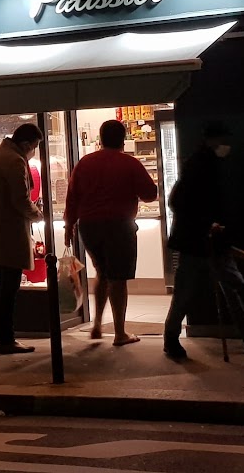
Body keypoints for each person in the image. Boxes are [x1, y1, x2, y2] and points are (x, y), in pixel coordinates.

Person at [163, 122, 244, 360]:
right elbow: (181, 202)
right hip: (198, 241)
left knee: (231, 285)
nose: (227, 145)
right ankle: (172, 338)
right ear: (213, 140)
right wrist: (208, 224)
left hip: (209, 241)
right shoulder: (200, 165)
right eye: (224, 139)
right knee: (196, 291)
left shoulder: (207, 163)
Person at [64, 119, 158, 346]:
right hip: (119, 225)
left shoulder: (84, 163)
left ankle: (96, 325)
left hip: (89, 226)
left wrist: (69, 226)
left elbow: (72, 197)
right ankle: (119, 333)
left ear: (101, 138)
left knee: (101, 272)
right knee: (118, 278)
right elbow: (150, 194)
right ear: (123, 139)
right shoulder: (130, 163)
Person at [0, 123, 44, 354]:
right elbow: (21, 200)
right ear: (25, 144)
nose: (33, 151)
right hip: (10, 233)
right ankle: (7, 338)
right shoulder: (14, 161)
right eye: (34, 146)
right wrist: (37, 214)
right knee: (9, 288)